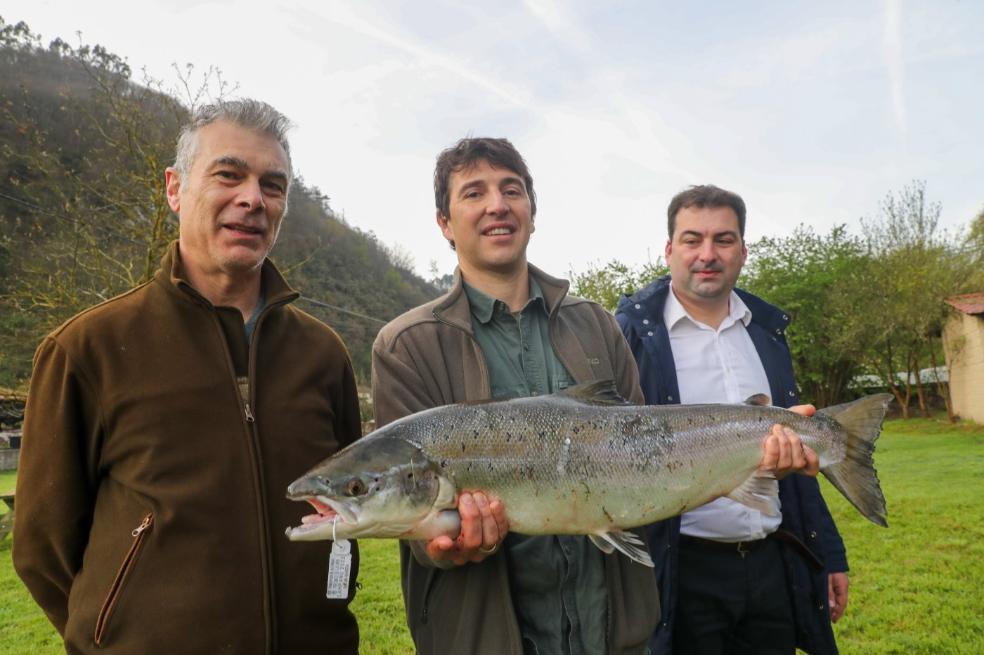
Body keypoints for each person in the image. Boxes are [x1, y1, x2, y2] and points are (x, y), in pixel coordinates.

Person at [13, 99, 363, 654]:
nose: (252, 198)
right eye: (229, 175)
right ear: (175, 189)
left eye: (273, 186)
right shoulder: (87, 350)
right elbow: (43, 550)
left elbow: (350, 504)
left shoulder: (322, 354)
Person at [371, 137, 661, 654]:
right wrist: (446, 547)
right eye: (473, 193)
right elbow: (413, 521)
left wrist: (751, 451)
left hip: (615, 635)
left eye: (512, 190)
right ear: (444, 222)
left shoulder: (596, 323)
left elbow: (644, 454)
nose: (497, 205)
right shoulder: (405, 346)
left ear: (532, 210)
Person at [615, 184, 849, 655]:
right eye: (691, 239)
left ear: (742, 251)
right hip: (682, 569)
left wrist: (829, 555)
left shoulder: (766, 334)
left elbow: (800, 467)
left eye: (723, 240)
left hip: (769, 565)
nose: (707, 254)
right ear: (668, 250)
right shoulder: (630, 337)